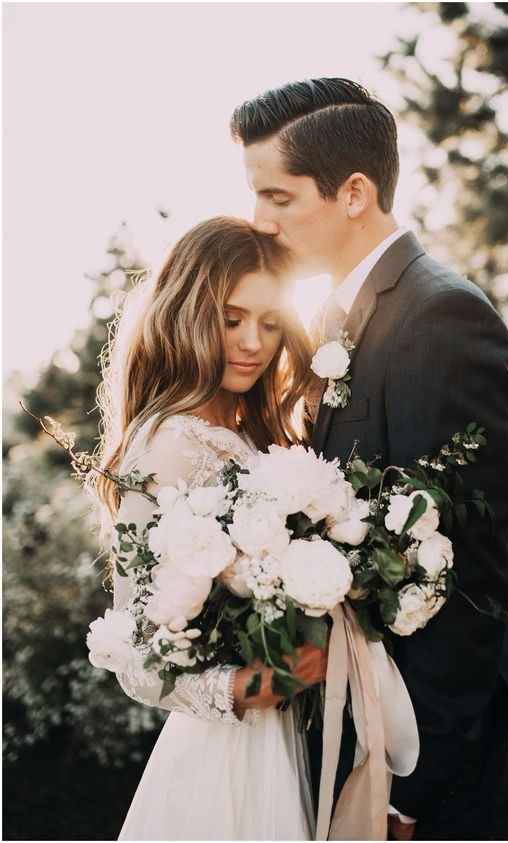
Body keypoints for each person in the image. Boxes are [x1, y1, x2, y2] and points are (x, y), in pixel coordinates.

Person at [231, 77, 508, 840]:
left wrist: (408, 789)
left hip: (421, 765)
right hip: (354, 731)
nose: (259, 220)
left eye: (279, 197)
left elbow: (463, 573)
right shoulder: (342, 316)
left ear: (354, 191)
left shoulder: (442, 317)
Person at [93, 216, 325, 840]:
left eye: (271, 323)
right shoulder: (164, 446)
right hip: (229, 757)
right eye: (231, 319)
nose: (253, 341)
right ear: (188, 313)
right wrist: (253, 685)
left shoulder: (253, 433)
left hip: (290, 734)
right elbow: (136, 656)